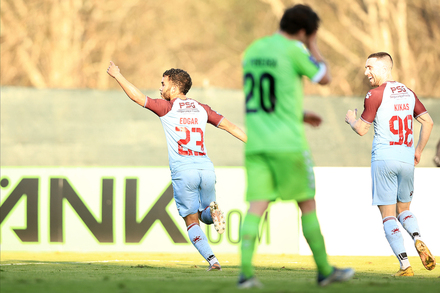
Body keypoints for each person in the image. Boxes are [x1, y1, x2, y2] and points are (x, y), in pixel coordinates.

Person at [238, 4, 354, 288]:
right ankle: (325, 270)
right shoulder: (295, 50)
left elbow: (266, 98)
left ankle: (245, 274)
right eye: (308, 35)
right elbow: (324, 77)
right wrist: (313, 45)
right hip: (288, 144)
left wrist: (300, 114)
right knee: (307, 205)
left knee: (256, 207)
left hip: (256, 143)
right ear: (303, 31)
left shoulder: (253, 50)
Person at [107, 62, 247, 271]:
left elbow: (137, 97)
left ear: (173, 87)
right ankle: (213, 211)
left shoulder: (167, 108)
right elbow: (230, 126)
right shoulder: (202, 108)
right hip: (206, 168)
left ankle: (213, 260)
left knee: (191, 221)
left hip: (184, 170)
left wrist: (118, 75)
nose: (160, 88)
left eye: (163, 84)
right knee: (205, 213)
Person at [345, 52, 435, 276]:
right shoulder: (408, 92)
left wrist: (350, 120)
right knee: (404, 210)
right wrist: (418, 151)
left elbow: (361, 129)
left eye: (370, 67)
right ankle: (418, 239)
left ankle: (405, 265)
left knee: (388, 215)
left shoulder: (374, 94)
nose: (366, 72)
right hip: (406, 160)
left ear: (384, 69)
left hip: (384, 159)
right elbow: (428, 122)